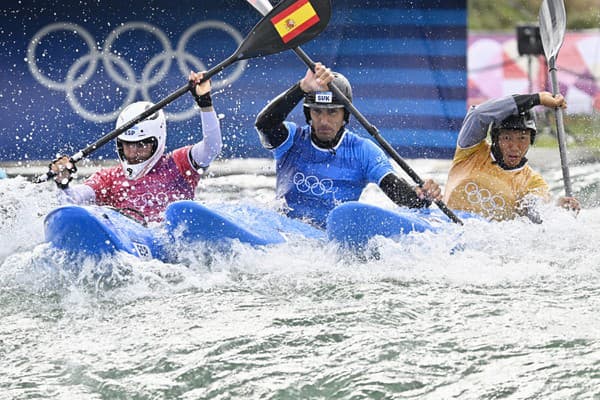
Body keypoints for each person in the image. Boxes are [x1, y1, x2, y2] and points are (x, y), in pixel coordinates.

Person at [254, 63, 442, 229]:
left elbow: (397, 193)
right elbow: (264, 124)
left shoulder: (363, 151)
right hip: (284, 233)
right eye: (317, 112)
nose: (324, 121)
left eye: (333, 112)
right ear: (308, 113)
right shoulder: (291, 139)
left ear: (345, 115)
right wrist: (302, 88)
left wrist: (421, 196)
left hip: (327, 240)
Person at [49, 71, 222, 224]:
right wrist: (63, 183)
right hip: (132, 249)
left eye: (141, 145)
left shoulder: (178, 164)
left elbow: (212, 148)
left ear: (157, 141)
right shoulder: (109, 178)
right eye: (126, 145)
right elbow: (72, 201)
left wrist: (204, 103)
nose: (132, 152)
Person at [443, 91, 580, 222]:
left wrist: (556, 211)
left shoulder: (532, 182)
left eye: (522, 138)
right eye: (507, 138)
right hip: (445, 229)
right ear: (496, 138)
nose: (514, 147)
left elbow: (535, 212)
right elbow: (478, 114)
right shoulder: (471, 151)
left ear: (531, 140)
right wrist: (538, 99)